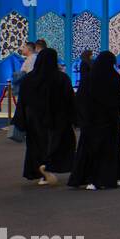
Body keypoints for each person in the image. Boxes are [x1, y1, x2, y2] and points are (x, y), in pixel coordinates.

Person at [69, 52, 120, 190]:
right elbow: (117, 98)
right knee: (109, 151)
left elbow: (82, 98)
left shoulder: (90, 78)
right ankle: (109, 178)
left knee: (91, 150)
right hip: (109, 121)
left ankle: (90, 179)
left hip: (91, 121)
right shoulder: (113, 77)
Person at [18, 48, 75, 186]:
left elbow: (23, 100)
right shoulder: (61, 78)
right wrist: (74, 117)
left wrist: (21, 119)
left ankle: (41, 169)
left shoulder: (29, 79)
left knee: (37, 145)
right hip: (58, 118)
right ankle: (50, 166)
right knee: (56, 143)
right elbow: (70, 99)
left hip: (34, 118)